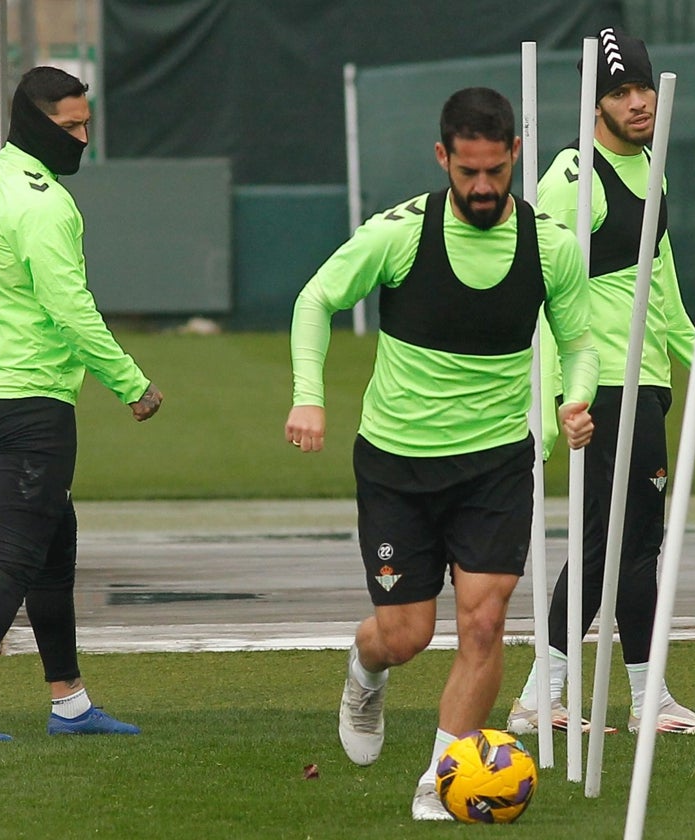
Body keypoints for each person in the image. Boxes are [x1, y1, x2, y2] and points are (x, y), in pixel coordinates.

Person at [283, 86, 598, 820]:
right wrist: (309, 393)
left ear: (515, 154)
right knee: (406, 633)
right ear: (442, 158)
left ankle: (442, 776)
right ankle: (365, 670)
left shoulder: (551, 246)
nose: (483, 187)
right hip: (396, 463)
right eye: (468, 173)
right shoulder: (397, 234)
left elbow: (580, 342)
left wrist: (573, 400)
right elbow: (314, 300)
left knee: (484, 622)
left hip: (494, 464)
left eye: (496, 170)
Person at [506, 28, 695, 738]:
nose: (638, 103)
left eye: (643, 87)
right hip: (601, 388)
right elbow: (538, 293)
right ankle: (554, 699)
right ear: (593, 104)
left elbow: (658, 285)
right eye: (620, 93)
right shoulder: (571, 179)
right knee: (618, 545)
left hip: (646, 384)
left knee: (631, 543)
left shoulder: (652, 166)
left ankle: (634, 698)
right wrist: (557, 400)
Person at [0, 67, 163, 742]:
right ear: (34, 122)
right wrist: (131, 383)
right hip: (33, 402)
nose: (83, 138)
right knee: (18, 555)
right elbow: (69, 307)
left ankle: (70, 704)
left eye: (87, 124)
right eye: (70, 127)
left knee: (54, 548)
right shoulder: (45, 204)